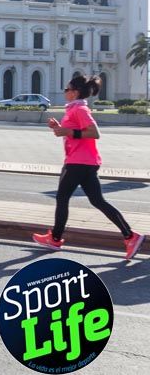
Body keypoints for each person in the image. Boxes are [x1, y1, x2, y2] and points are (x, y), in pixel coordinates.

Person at [34, 74, 143, 259]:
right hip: (85, 162)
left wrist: (67, 130)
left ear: (75, 92)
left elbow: (94, 133)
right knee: (97, 201)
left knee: (62, 198)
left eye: (67, 89)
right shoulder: (74, 109)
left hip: (78, 162)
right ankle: (131, 236)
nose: (64, 92)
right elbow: (76, 132)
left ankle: (55, 238)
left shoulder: (80, 110)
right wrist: (59, 128)